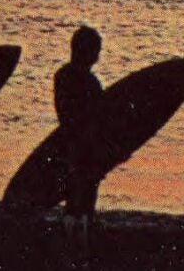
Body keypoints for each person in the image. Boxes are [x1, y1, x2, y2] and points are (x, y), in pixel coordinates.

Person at [54, 25, 104, 245]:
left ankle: (72, 225)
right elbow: (98, 117)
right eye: (96, 51)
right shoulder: (91, 83)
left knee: (74, 185)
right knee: (87, 186)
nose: (98, 56)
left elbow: (63, 109)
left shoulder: (62, 75)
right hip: (86, 143)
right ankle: (82, 228)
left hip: (68, 139)